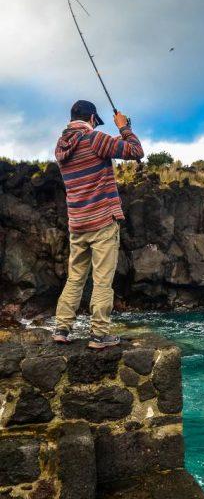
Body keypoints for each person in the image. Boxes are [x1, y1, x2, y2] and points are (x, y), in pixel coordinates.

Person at [53, 100, 144, 349]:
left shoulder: (61, 146)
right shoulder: (95, 139)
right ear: (92, 118)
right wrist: (123, 127)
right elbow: (136, 151)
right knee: (102, 280)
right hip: (102, 220)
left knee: (75, 278)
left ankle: (61, 328)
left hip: (77, 223)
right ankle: (99, 334)